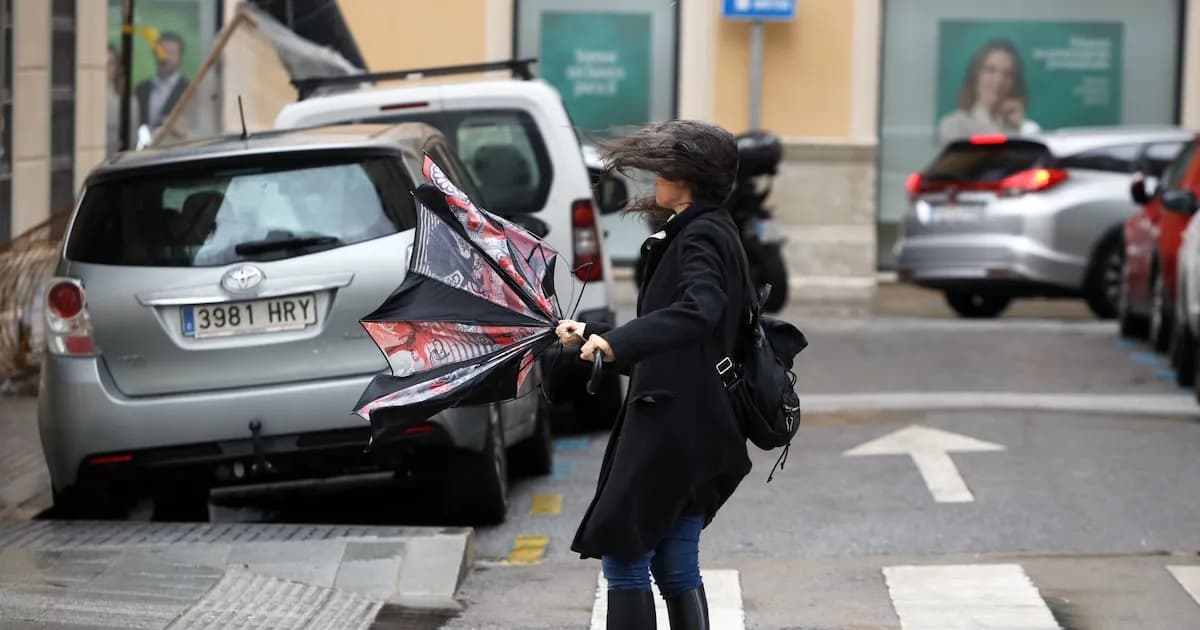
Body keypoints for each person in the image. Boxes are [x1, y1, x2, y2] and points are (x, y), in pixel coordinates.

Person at [555, 120, 750, 629]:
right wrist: (595, 334)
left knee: (625, 555)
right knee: (675, 560)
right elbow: (687, 335)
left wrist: (618, 343)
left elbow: (700, 311)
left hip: (672, 422)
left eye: (663, 170)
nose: (655, 179)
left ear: (685, 179)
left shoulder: (700, 234)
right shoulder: (714, 228)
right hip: (703, 419)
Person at [937, 39, 1041, 144]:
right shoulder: (954, 125)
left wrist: (1022, 125)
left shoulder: (1023, 126)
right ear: (976, 74)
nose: (999, 81)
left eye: (1008, 74)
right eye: (991, 70)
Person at [134, 31, 189, 131]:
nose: (165, 57)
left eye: (171, 52)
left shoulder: (190, 90)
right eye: (161, 51)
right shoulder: (141, 89)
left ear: (180, 57)